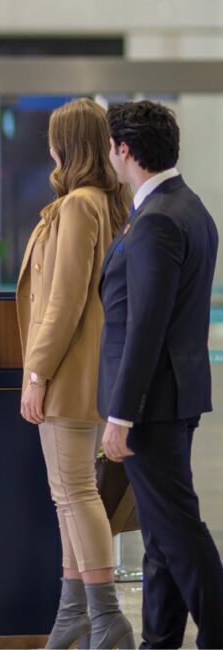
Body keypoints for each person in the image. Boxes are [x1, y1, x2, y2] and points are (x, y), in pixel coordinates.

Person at [100, 100, 223, 649]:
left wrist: (121, 414)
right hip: (175, 394)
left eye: (111, 147)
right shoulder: (188, 206)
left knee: (176, 531)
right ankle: (160, 640)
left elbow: (145, 327)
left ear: (124, 151)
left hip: (152, 403)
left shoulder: (157, 221)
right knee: (160, 534)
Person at [16, 98, 134, 649]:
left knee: (75, 493)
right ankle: (74, 613)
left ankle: (104, 616)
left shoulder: (81, 206)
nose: (47, 146)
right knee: (72, 492)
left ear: (67, 145)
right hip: (88, 371)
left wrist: (36, 372)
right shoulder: (103, 204)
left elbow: (63, 302)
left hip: (68, 373)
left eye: (53, 137)